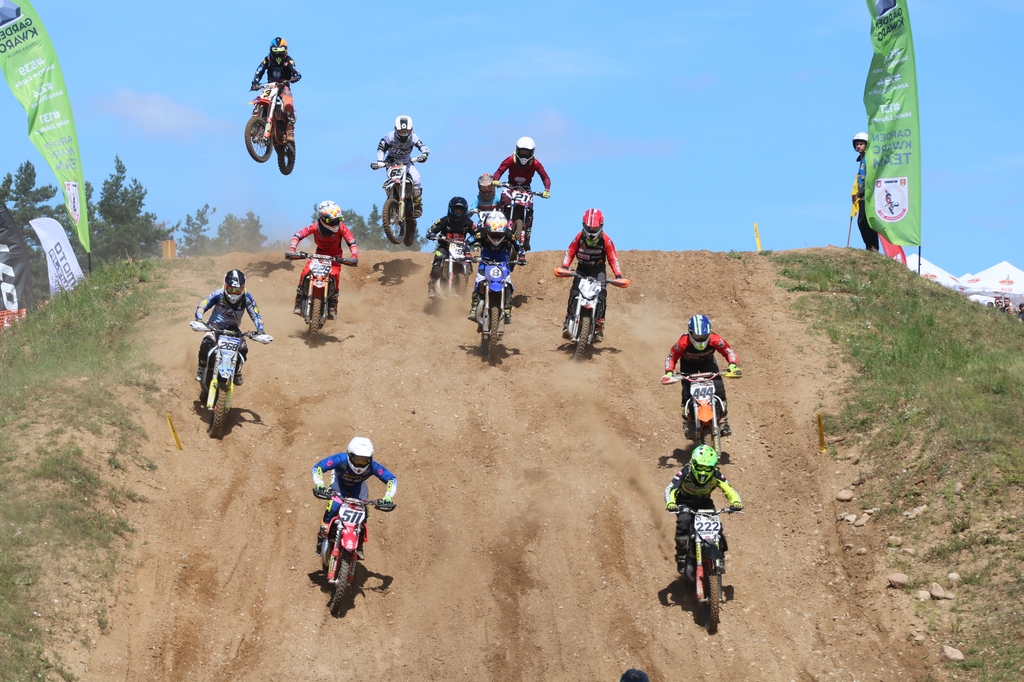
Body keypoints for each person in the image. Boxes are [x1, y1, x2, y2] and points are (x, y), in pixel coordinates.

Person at [664, 445, 743, 580]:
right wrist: (671, 503)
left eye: (708, 468)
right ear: (694, 463)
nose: (704, 471)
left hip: (704, 502)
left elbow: (729, 489)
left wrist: (736, 502)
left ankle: (720, 558)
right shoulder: (686, 471)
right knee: (683, 523)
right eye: (701, 467)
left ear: (713, 467)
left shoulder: (716, 474)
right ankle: (681, 557)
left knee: (717, 528)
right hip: (685, 502)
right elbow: (671, 488)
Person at [311, 437, 397, 558]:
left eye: (364, 461)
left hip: (358, 487)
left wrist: (388, 496)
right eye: (357, 459)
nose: (360, 464)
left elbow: (391, 479)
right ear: (350, 455)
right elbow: (318, 467)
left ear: (370, 459)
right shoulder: (340, 459)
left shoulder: (373, 466)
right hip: (338, 483)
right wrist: (320, 484)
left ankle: (359, 543)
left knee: (364, 512)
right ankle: (322, 537)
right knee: (334, 506)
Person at [664, 315, 740, 438]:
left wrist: (732, 365)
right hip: (688, 365)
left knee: (719, 389)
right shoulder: (683, 343)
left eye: (703, 336)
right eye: (697, 336)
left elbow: (728, 351)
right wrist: (669, 372)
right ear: (690, 333)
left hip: (708, 362)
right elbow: (671, 357)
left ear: (709, 332)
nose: (700, 339)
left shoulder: (715, 339)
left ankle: (723, 422)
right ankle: (687, 423)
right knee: (686, 394)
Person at [559, 208, 624, 343]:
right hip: (582, 269)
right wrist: (565, 267)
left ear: (601, 226)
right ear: (583, 225)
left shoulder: (606, 240)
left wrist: (618, 275)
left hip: (598, 270)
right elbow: (570, 252)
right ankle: (568, 318)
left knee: (602, 295)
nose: (591, 231)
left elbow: (613, 258)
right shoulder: (579, 237)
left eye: (594, 229)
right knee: (574, 292)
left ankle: (599, 325)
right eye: (589, 228)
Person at [287, 201, 359, 320]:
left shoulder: (342, 228)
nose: (335, 223)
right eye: (332, 220)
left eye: (337, 220)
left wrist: (354, 255)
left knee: (335, 276)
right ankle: (298, 301)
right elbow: (298, 235)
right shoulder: (315, 227)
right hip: (318, 255)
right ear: (323, 218)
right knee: (305, 272)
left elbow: (351, 242)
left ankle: (332, 305)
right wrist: (292, 249)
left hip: (335, 257)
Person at [194, 270, 265, 386]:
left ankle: (237, 372)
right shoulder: (218, 294)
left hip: (233, 329)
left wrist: (260, 329)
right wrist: (199, 319)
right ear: (225, 286)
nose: (234, 293)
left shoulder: (247, 298)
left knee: (243, 348)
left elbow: (256, 315)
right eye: (231, 289)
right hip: (214, 326)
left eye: (238, 290)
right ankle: (201, 368)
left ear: (243, 288)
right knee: (206, 344)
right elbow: (202, 305)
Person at [493, 136, 551, 257]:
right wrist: (496, 180)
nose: (524, 155)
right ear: (517, 150)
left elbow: (545, 177)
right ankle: (499, 223)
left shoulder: (535, 163)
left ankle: (527, 233)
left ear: (532, 152)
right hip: (511, 186)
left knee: (529, 208)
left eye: (526, 152)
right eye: (522, 151)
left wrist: (546, 190)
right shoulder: (511, 159)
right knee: (504, 198)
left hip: (526, 189)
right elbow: (499, 170)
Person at [373, 115, 429, 218]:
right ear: (395, 129)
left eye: (407, 131)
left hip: (407, 162)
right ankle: (391, 201)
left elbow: (422, 146)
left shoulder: (413, 137)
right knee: (393, 181)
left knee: (416, 178)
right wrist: (380, 161)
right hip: (392, 162)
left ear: (411, 129)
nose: (404, 134)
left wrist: (424, 154)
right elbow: (381, 148)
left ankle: (418, 206)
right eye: (401, 131)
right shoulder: (389, 137)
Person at [467, 212, 516, 323]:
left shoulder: (508, 234)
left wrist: (521, 256)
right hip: (486, 258)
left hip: (503, 259)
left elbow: (518, 245)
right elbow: (468, 242)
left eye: (499, 233)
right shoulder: (481, 233)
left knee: (507, 283)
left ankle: (507, 309)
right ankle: (474, 307)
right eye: (494, 233)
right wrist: (466, 252)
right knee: (479, 280)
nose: (496, 235)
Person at [250, 37, 301, 142]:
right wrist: (255, 83)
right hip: (270, 85)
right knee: (258, 101)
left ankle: (290, 130)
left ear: (285, 50)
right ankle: (254, 123)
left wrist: (295, 77)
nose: (278, 54)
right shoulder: (267, 60)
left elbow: (295, 71)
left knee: (288, 103)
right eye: (275, 51)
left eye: (280, 51)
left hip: (283, 85)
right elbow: (259, 70)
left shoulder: (289, 60)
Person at [426, 196, 474, 299]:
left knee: (469, 262)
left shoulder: (468, 222)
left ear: (465, 212)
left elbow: (478, 233)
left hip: (462, 248)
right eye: (456, 211)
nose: (458, 214)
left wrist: (477, 239)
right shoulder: (444, 220)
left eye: (460, 212)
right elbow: (432, 230)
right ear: (450, 210)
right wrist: (432, 234)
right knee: (438, 260)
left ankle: (463, 285)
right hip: (445, 247)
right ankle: (432, 286)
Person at [851, 132, 879, 252]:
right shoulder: (862, 159)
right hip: (863, 193)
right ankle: (871, 247)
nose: (858, 146)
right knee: (866, 221)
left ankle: (871, 246)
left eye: (861, 144)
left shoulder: (869, 158)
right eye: (857, 144)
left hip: (868, 194)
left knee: (863, 221)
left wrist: (860, 192)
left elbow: (870, 177)